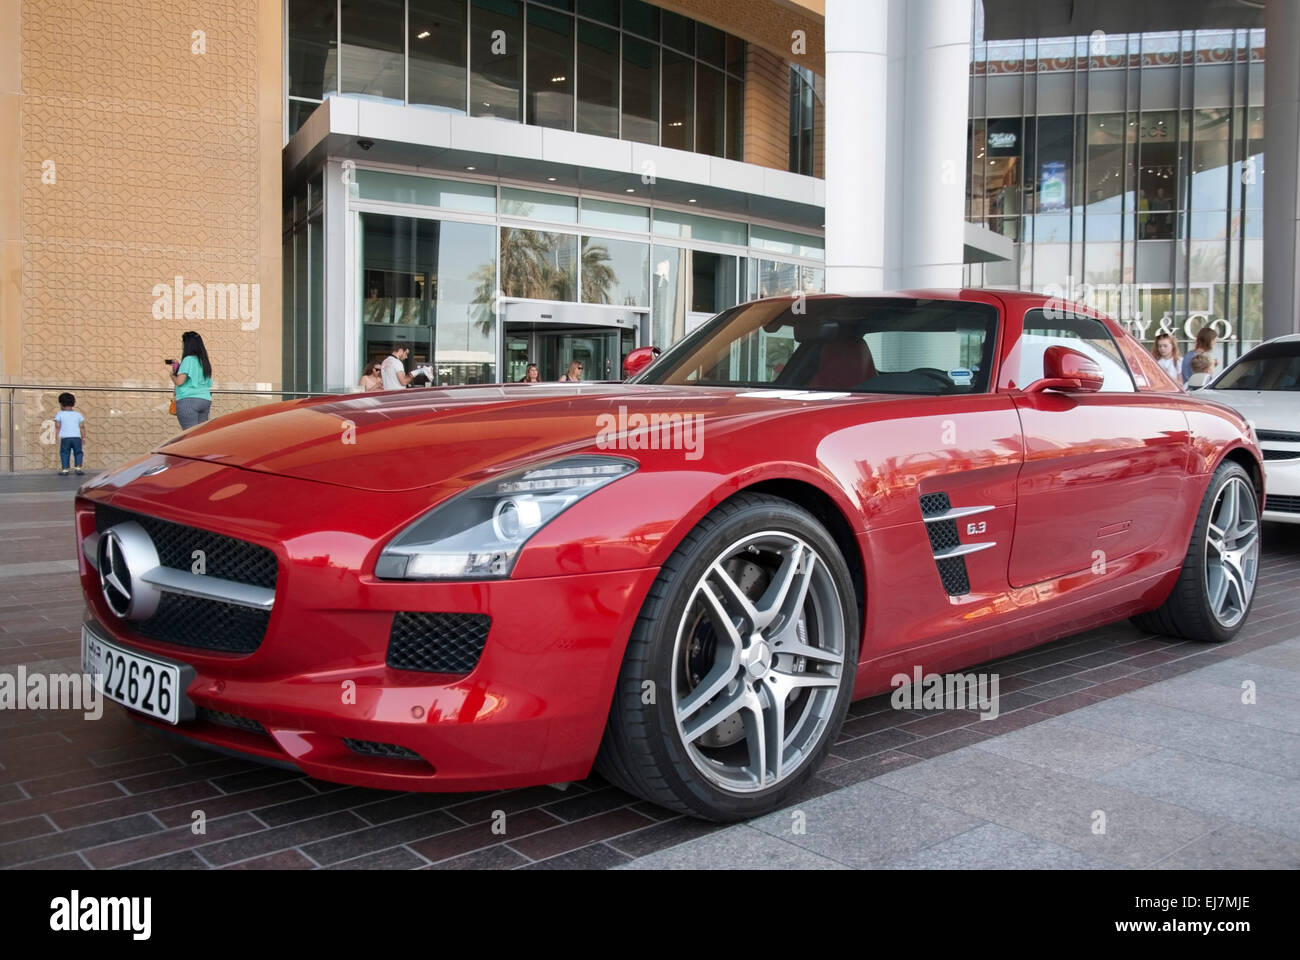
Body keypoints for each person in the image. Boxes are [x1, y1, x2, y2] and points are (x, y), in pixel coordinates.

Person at [169, 330, 213, 429]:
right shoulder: (204, 361)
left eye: (183, 342)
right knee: (200, 435)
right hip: (205, 400)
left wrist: (172, 375)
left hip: (188, 401)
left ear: (187, 344)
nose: (182, 345)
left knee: (190, 436)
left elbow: (180, 381)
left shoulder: (188, 359)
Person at [54, 392, 85, 476]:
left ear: (61, 404)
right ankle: (78, 468)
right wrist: (83, 437)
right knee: (78, 452)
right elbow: (82, 427)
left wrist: (56, 436)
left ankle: (65, 469)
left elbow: (57, 426)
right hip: (77, 437)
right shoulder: (78, 414)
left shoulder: (59, 414)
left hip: (65, 438)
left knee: (64, 452)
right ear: (73, 403)